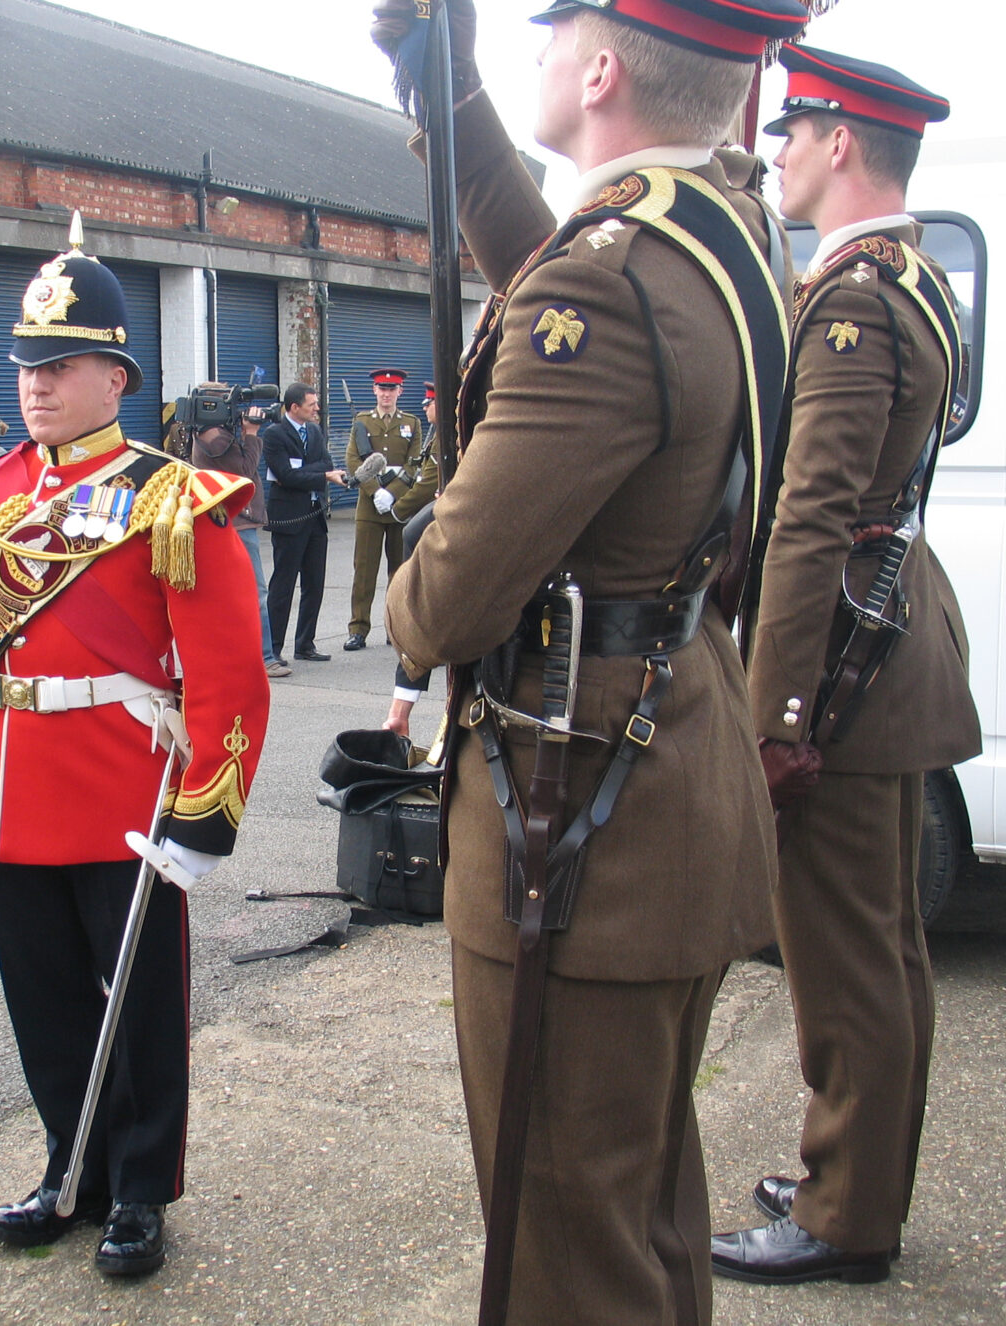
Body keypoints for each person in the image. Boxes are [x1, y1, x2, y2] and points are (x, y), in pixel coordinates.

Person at [372, 0, 806, 1320]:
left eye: (555, 31)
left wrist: (405, 572)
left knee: (568, 1242)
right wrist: (428, 70)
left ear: (605, 63)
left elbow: (443, 605)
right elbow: (533, 243)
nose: (543, 48)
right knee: (640, 1212)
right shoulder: (720, 235)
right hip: (666, 784)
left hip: (577, 824)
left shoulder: (609, 277)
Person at [0, 221, 269, 1278]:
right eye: (27, 366)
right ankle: (65, 1171)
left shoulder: (171, 498)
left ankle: (137, 1190)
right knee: (45, 1002)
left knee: (140, 1008)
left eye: (60, 366)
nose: (36, 386)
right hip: (12, 787)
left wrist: (207, 811)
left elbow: (224, 671)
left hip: (124, 787)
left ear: (115, 375)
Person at [710, 46, 980, 1287]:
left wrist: (778, 715)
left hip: (848, 662)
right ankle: (855, 1175)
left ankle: (844, 1217)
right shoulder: (910, 275)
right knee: (886, 949)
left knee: (847, 956)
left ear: (845, 146)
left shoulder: (859, 297)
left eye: (795, 133)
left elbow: (810, 513)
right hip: (893, 630)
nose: (780, 153)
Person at [189, 398, 287, 678]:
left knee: (231, 592)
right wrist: (252, 434)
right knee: (256, 593)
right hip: (236, 522)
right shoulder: (212, 438)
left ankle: (233, 654)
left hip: (233, 520)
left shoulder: (216, 433)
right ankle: (265, 657)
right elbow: (244, 470)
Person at [263, 382, 345, 663]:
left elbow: (326, 463)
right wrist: (320, 475)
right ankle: (273, 648)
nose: (316, 409)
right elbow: (285, 475)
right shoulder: (274, 435)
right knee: (283, 585)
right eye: (311, 404)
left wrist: (314, 472)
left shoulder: (314, 431)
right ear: (294, 407)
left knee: (314, 583)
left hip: (314, 517)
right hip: (289, 519)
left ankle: (305, 644)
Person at [342, 368, 422, 650]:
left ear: (400, 392)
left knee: (399, 570)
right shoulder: (362, 421)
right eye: (381, 388)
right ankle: (358, 628)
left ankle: (395, 626)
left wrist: (392, 493)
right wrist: (375, 491)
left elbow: (415, 463)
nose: (386, 394)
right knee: (364, 570)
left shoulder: (411, 423)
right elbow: (353, 461)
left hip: (400, 506)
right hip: (369, 507)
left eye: (392, 389)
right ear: (374, 391)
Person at [382, 381, 439, 738]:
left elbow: (429, 480)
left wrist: (399, 509)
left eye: (430, 402)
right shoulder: (436, 432)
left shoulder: (449, 432)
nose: (425, 406)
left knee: (412, 534)